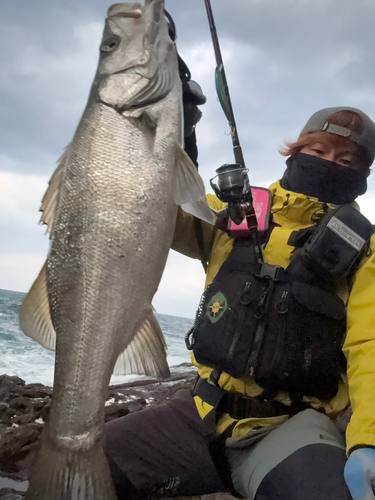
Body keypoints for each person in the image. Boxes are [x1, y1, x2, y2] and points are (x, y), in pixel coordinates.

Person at [105, 102, 375, 500]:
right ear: (296, 151)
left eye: (345, 159)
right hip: (201, 413)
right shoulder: (234, 214)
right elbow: (159, 208)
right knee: (87, 460)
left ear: (362, 176)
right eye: (318, 151)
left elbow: (368, 348)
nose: (328, 163)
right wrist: (170, 132)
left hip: (290, 427)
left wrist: (366, 439)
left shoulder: (366, 250)